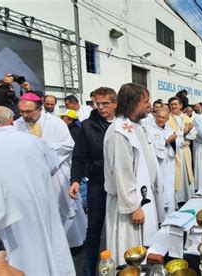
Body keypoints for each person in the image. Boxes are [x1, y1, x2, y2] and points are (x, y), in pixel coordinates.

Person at [0, 106, 75, 275]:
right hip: (36, 207)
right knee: (44, 249)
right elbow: (52, 165)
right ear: (10, 120)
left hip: (2, 217)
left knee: (11, 257)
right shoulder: (34, 142)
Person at [14, 92, 87, 251]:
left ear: (39, 108)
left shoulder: (56, 123)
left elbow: (68, 145)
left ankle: (73, 242)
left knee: (63, 207)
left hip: (56, 173)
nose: (24, 115)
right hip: (30, 176)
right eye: (21, 111)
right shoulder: (17, 124)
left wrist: (44, 151)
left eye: (28, 111)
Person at [103, 83, 159, 265]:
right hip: (127, 206)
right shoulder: (120, 131)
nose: (149, 105)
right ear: (133, 103)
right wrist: (133, 207)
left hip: (142, 198)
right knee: (128, 252)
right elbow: (122, 171)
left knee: (142, 249)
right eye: (145, 101)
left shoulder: (135, 126)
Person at [68, 87, 117, 276]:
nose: (101, 107)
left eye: (105, 103)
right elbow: (79, 156)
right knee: (94, 227)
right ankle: (88, 271)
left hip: (119, 183)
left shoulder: (123, 123)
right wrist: (75, 180)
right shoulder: (88, 125)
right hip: (98, 181)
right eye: (97, 104)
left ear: (115, 103)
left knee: (119, 226)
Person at [145, 108, 176, 221]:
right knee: (160, 188)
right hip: (158, 163)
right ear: (155, 116)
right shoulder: (149, 129)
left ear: (167, 118)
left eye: (163, 117)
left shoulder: (169, 128)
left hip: (169, 163)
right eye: (159, 116)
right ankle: (159, 218)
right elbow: (150, 146)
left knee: (169, 188)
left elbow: (175, 143)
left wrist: (174, 141)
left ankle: (170, 215)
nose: (161, 119)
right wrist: (166, 141)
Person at [167, 97, 197, 204]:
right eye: (171, 104)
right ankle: (177, 200)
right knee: (176, 175)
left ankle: (188, 196)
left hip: (186, 149)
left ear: (181, 105)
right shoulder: (167, 118)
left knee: (187, 173)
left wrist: (187, 132)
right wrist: (183, 132)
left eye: (175, 104)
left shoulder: (187, 118)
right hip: (175, 151)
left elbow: (194, 134)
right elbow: (170, 135)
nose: (173, 106)